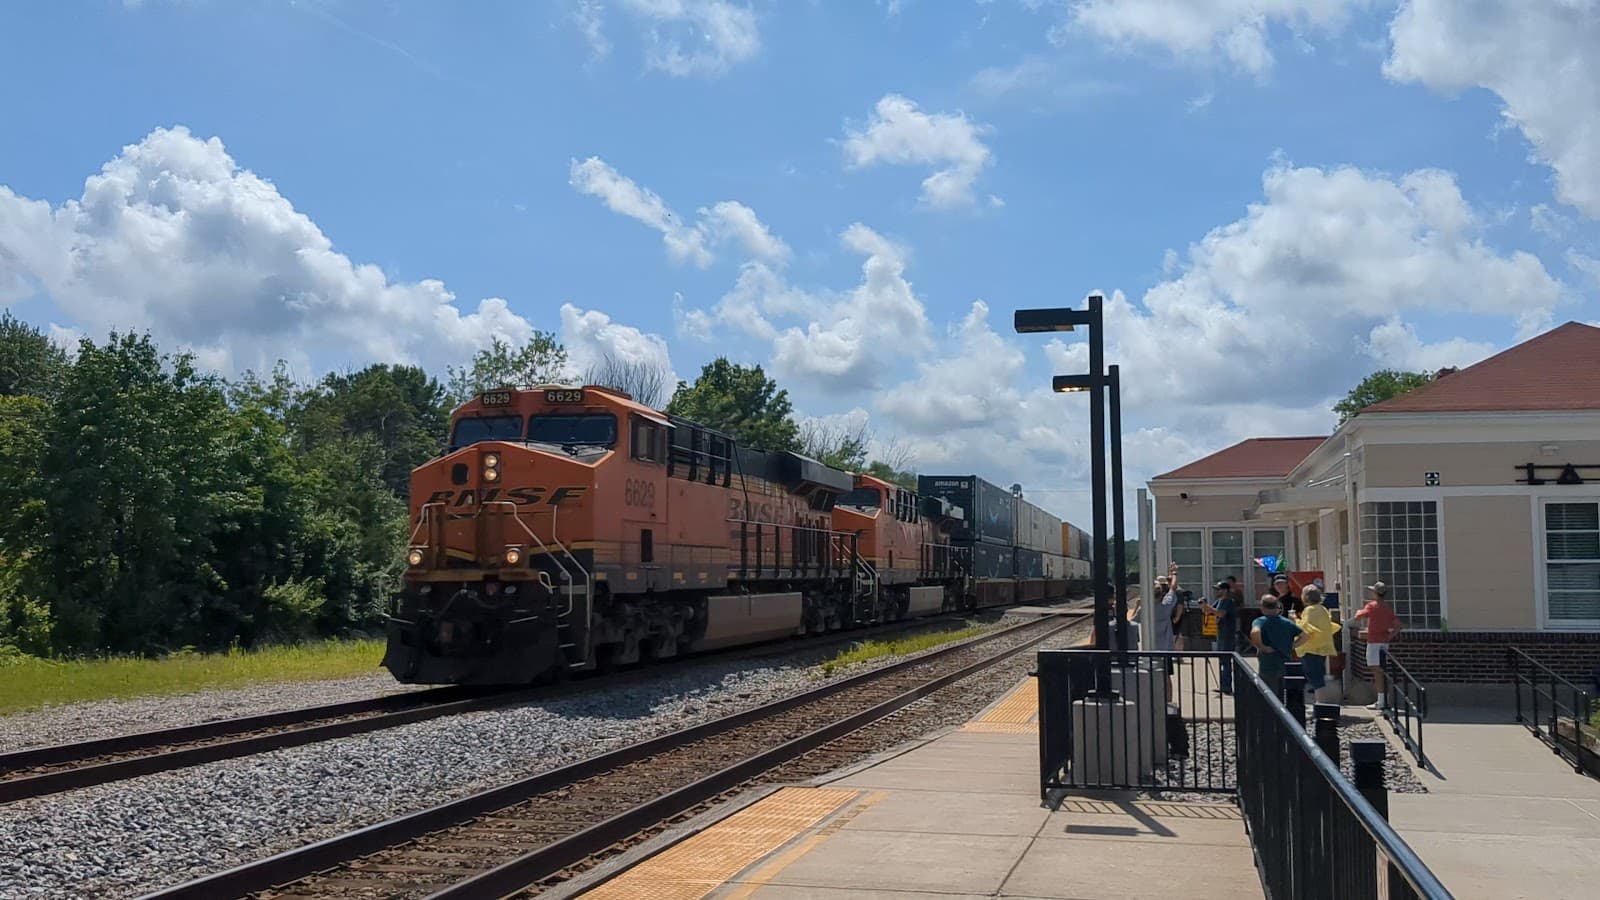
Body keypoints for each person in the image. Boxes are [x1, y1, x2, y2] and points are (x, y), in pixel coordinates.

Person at [1350, 581, 1402, 709]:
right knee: (1381, 671)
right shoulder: (1387, 607)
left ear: (1375, 593)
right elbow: (1397, 626)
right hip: (1384, 642)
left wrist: (1358, 612)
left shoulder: (1372, 606)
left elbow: (1358, 617)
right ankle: (1383, 699)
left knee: (1376, 671)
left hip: (1374, 642)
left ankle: (1381, 701)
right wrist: (1389, 636)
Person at [1251, 595, 1307, 699]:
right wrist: (1292, 646)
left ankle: (1270, 714)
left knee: (1269, 695)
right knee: (1284, 694)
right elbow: (1305, 636)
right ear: (1277, 607)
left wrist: (1262, 647)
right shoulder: (1287, 623)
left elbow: (1255, 632)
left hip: (1268, 664)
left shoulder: (1260, 621)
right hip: (1286, 663)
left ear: (1262, 608)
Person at [1297, 585, 1339, 695]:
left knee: (1314, 677)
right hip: (1323, 647)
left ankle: (1320, 702)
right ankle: (1320, 700)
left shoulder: (1309, 610)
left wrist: (1294, 621)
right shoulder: (1323, 609)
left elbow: (1306, 629)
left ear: (1305, 597)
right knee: (1319, 674)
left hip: (1311, 648)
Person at [1200, 580, 1238, 694]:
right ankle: (1223, 684)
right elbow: (1209, 612)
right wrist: (1203, 605)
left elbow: (1220, 613)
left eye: (1219, 589)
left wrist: (1209, 608)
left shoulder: (1229, 601)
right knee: (1222, 660)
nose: (1216, 591)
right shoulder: (1219, 601)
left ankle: (1227, 686)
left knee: (1226, 660)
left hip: (1228, 635)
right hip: (1220, 634)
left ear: (1225, 590)